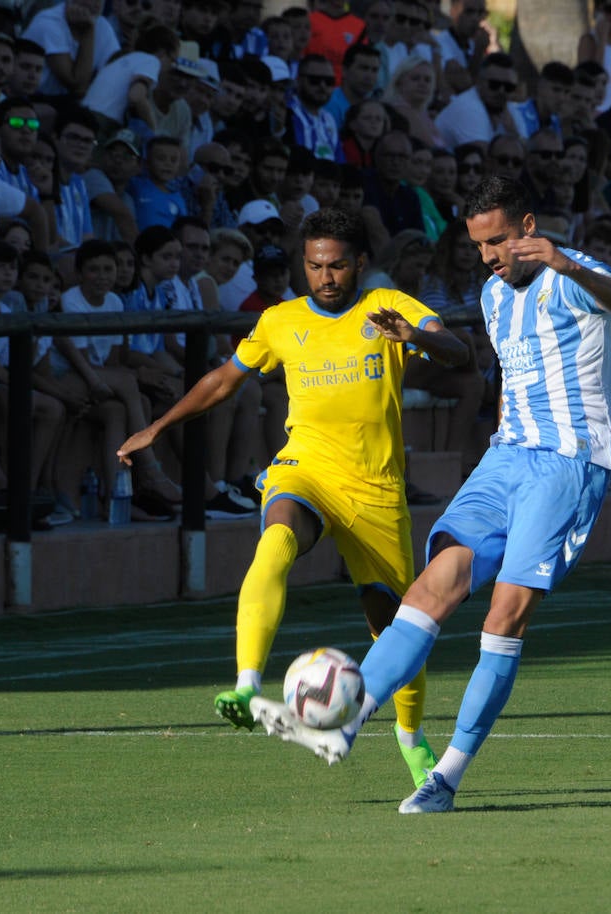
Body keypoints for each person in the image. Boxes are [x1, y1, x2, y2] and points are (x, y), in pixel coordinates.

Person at [248, 176, 611, 815]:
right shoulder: (492, 294)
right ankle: (341, 724)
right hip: (504, 459)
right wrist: (414, 340)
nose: (488, 256)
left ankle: (446, 778)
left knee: (503, 617)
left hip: (568, 464)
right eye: (478, 244)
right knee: (429, 590)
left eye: (498, 241)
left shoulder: (577, 275)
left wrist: (571, 264)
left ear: (529, 227)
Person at [116, 207, 468, 788]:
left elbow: (461, 353)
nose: (324, 277)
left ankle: (411, 739)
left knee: (397, 627)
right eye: (314, 265)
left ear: (359, 264)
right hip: (303, 469)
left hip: (376, 491)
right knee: (275, 539)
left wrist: (417, 338)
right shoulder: (280, 321)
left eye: (336, 266)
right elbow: (225, 378)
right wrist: (157, 427)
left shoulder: (391, 309)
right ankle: (247, 684)